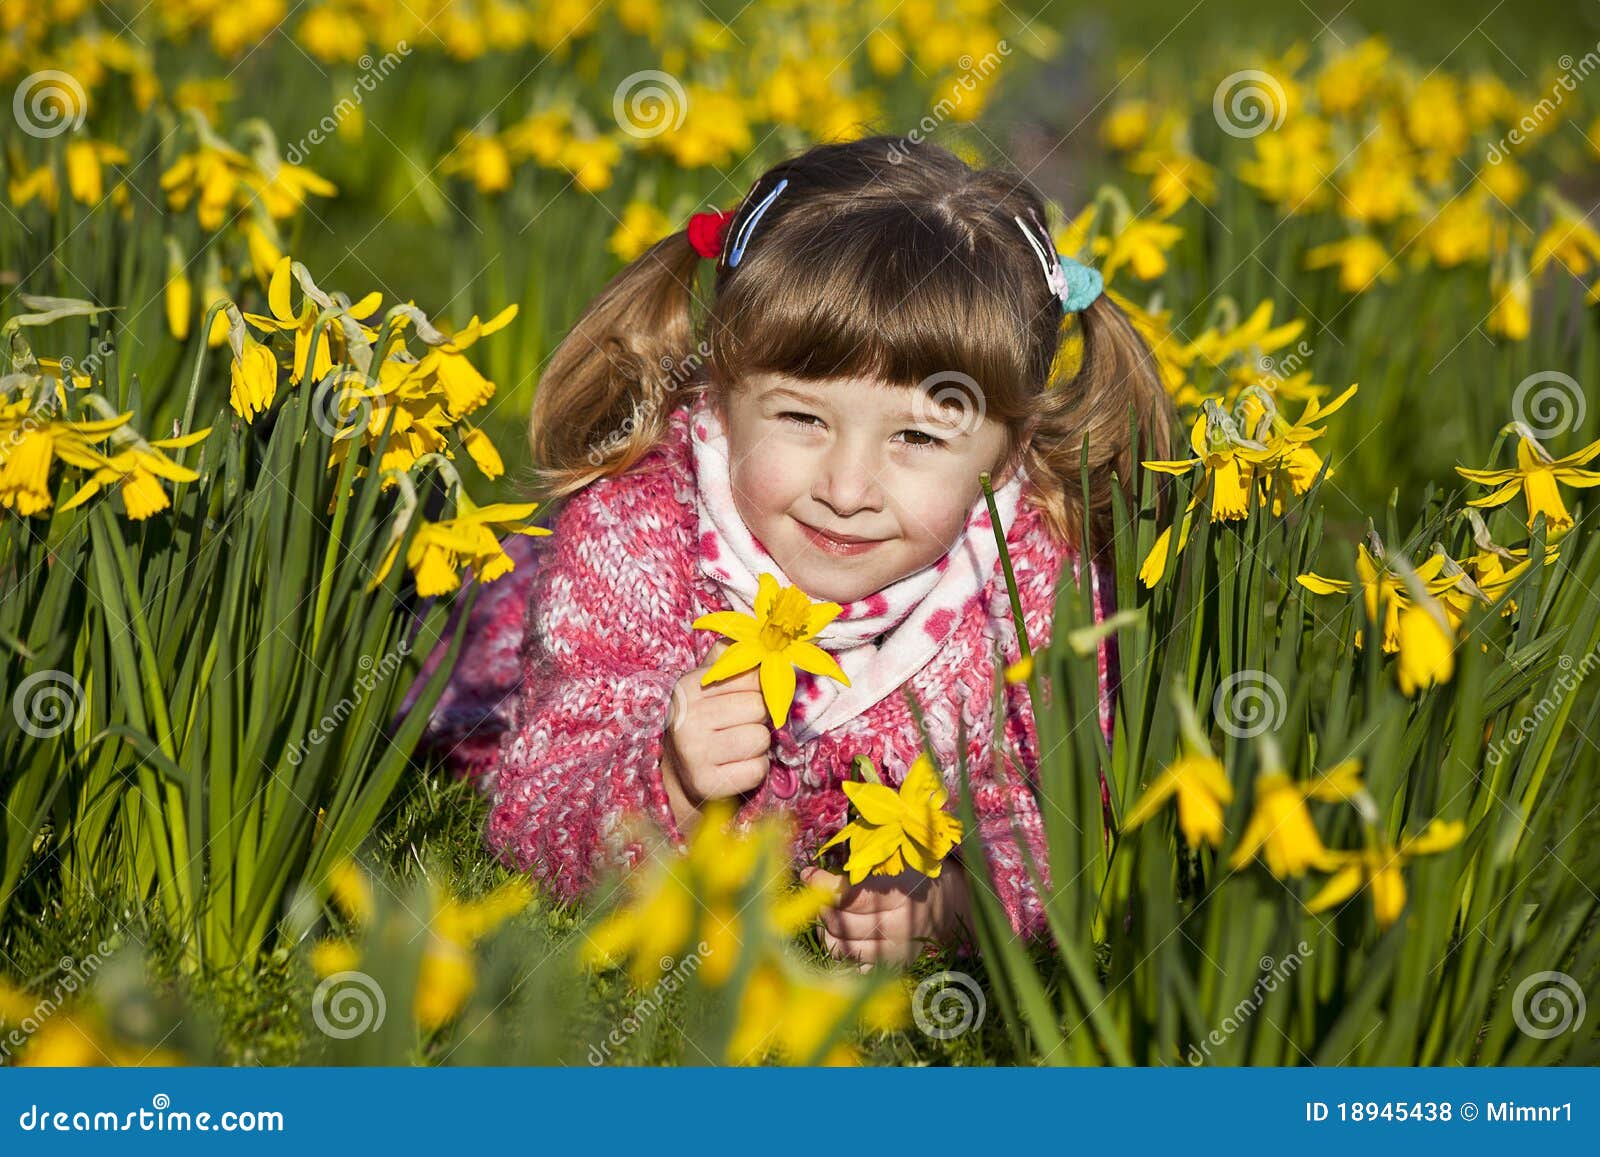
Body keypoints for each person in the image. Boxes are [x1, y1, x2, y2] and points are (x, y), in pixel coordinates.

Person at [408, 134, 1176, 964]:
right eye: (802, 419)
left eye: (917, 436)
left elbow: (1062, 809)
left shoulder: (1035, 586)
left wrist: (959, 896)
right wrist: (665, 777)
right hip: (538, 612)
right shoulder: (632, 536)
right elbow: (540, 802)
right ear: (722, 395)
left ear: (1009, 445)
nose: (847, 489)